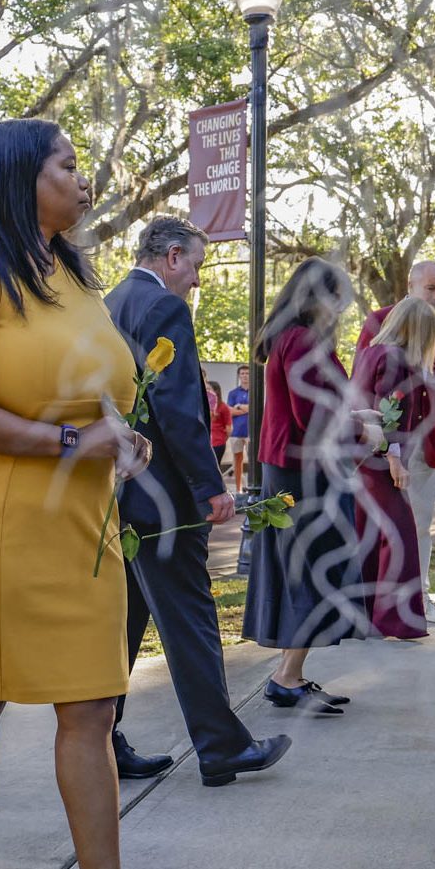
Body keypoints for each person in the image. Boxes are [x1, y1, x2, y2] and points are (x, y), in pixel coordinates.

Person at [0, 118, 215, 869]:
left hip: (78, 522)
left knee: (90, 706)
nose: (84, 182)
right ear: (18, 176)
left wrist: (119, 437)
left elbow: (90, 394)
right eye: (68, 165)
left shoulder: (69, 272)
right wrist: (61, 446)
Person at [106, 214, 290, 786]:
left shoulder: (112, 302)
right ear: (174, 257)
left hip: (122, 492)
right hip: (164, 496)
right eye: (197, 268)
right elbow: (179, 406)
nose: (197, 282)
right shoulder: (164, 308)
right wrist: (210, 487)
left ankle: (103, 744)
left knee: (126, 624)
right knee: (189, 617)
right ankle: (221, 747)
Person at [243, 256, 383, 714]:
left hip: (293, 469)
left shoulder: (291, 338)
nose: (341, 309)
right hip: (304, 477)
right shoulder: (303, 341)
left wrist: (357, 416)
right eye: (337, 299)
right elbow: (317, 417)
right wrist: (365, 433)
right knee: (310, 571)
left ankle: (291, 675)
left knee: (303, 571)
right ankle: (286, 677)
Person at [356, 261, 435, 625]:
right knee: (372, 523)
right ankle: (366, 604)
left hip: (426, 445)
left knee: (419, 524)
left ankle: (418, 598)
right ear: (410, 285)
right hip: (379, 444)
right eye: (430, 288)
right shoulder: (379, 321)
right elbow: (360, 383)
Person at [352, 297, 435, 639]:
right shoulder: (393, 358)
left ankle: (364, 616)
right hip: (378, 457)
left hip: (359, 457)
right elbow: (386, 410)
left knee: (368, 535)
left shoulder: (370, 352)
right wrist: (394, 459)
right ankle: (396, 619)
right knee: (399, 535)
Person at [227, 365, 250, 492]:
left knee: (255, 462)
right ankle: (238, 489)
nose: (245, 376)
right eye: (242, 373)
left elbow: (258, 409)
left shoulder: (257, 392)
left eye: (247, 373)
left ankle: (254, 487)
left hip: (252, 433)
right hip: (236, 432)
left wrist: (239, 406)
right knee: (237, 461)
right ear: (239, 376)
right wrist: (248, 409)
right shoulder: (233, 393)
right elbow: (230, 411)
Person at [207, 378, 232, 470]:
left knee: (214, 468)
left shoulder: (223, 407)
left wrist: (222, 439)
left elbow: (228, 428)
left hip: (217, 442)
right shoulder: (202, 405)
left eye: (209, 389)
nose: (207, 391)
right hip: (205, 442)